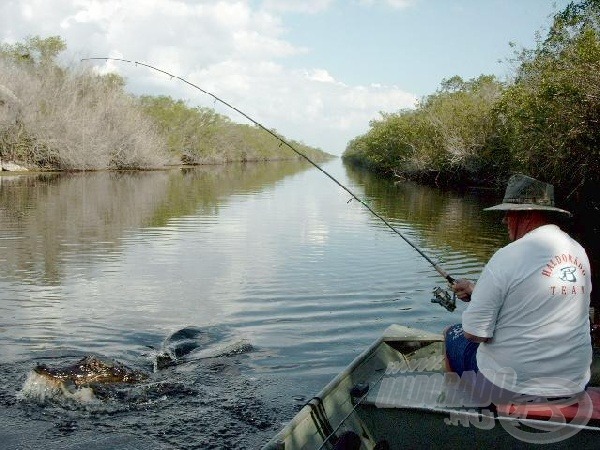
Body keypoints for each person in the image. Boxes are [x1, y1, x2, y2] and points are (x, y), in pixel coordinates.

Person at [444, 173, 592, 399]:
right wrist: (478, 291)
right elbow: (536, 300)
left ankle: (460, 413)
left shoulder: (508, 255)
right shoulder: (578, 251)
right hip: (574, 384)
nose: (504, 220)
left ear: (525, 215)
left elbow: (474, 333)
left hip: (511, 388)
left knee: (450, 335)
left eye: (508, 214)